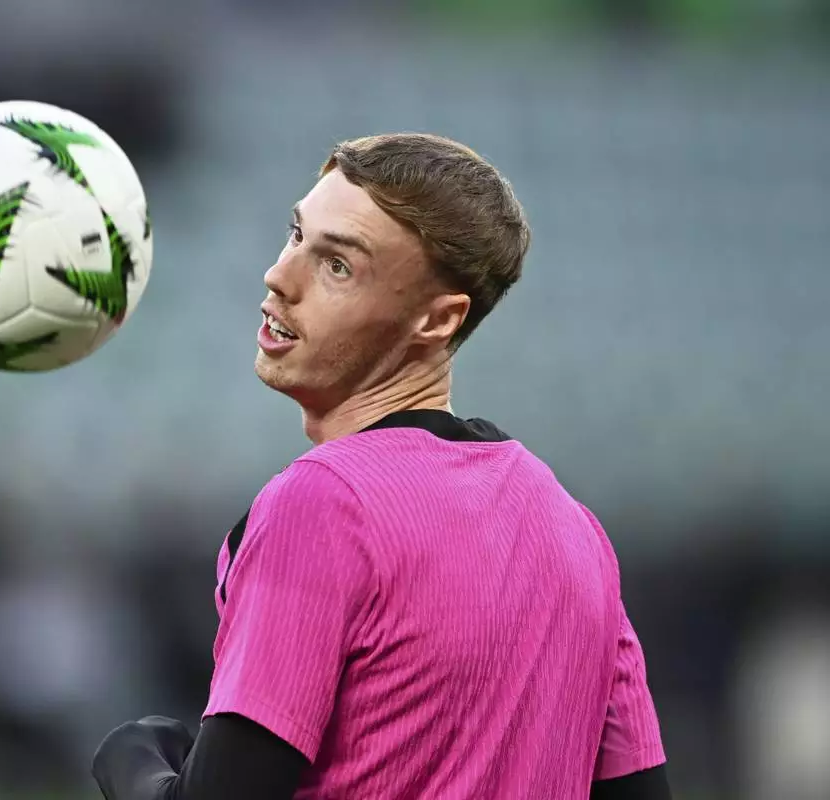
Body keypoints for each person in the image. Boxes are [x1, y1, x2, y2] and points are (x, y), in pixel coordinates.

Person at [91, 134, 670, 799]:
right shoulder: (578, 537)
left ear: (437, 319)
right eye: (296, 235)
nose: (280, 276)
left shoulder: (324, 504)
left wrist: (130, 759)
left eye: (338, 265)